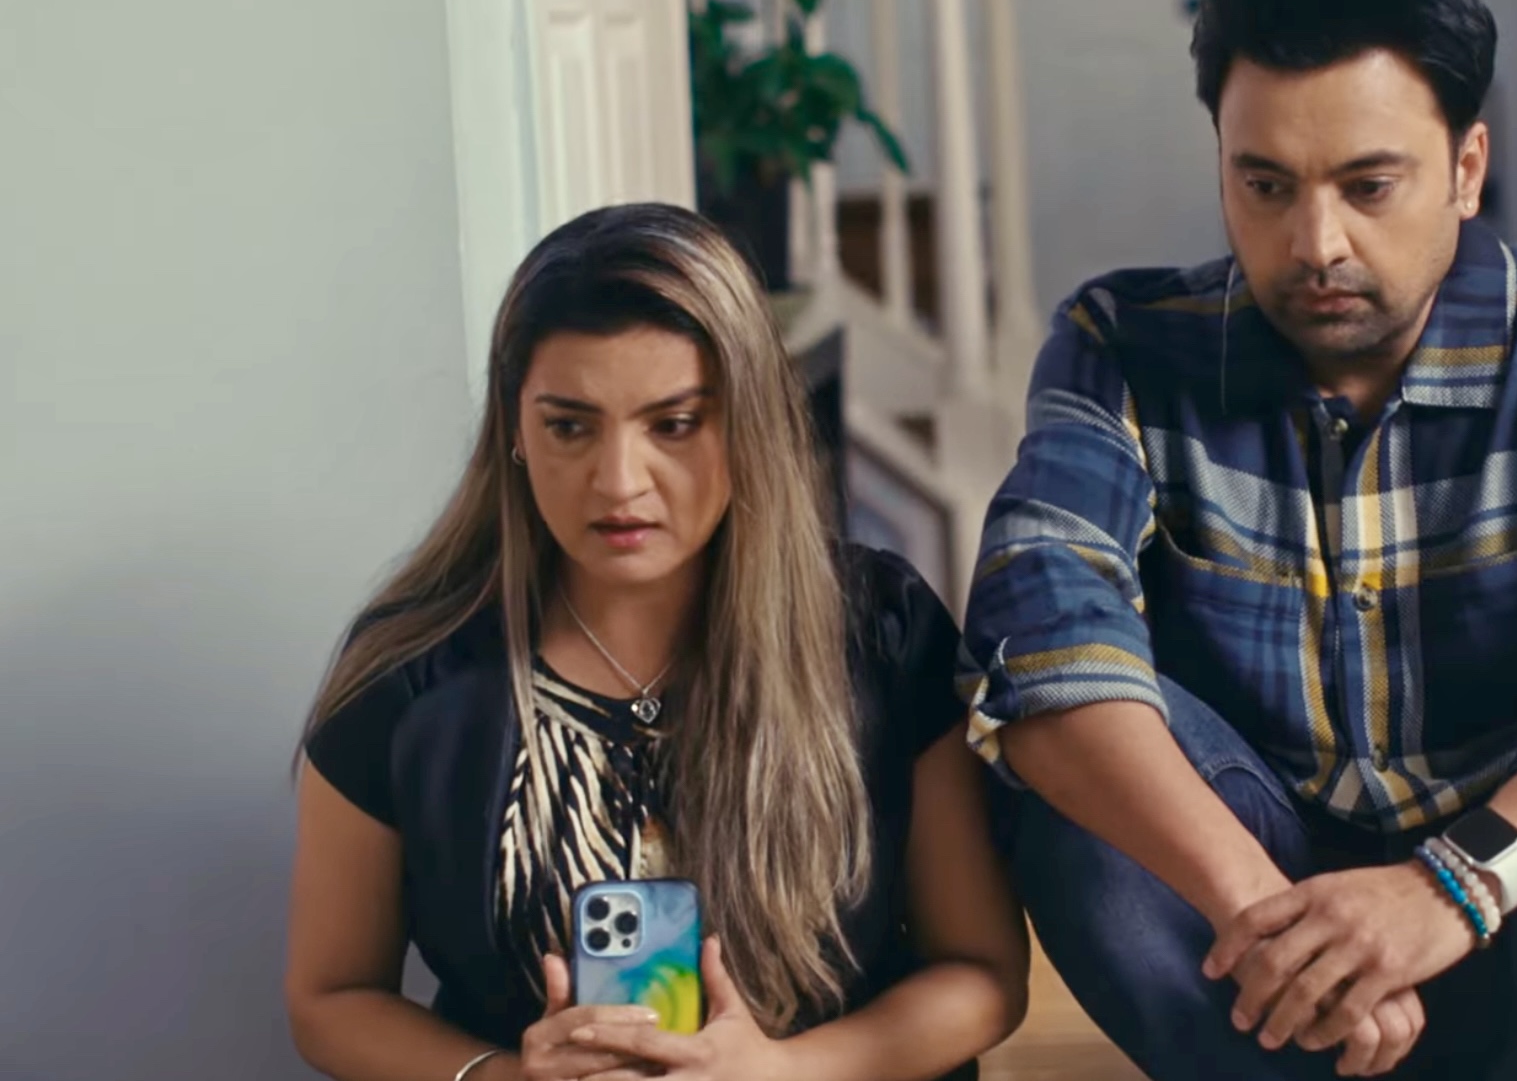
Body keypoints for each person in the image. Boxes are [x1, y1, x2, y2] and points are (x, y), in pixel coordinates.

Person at [960, 0, 1517, 1080]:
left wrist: (1453, 883)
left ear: (1466, 170)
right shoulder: (1123, 346)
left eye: (1369, 184)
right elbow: (1038, 629)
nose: (1316, 242)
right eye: (1265, 184)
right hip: (1256, 949)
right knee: (1067, 773)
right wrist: (1276, 920)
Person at [285, 203, 1028, 1081]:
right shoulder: (409, 672)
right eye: (569, 425)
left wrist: (784, 1074)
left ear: (748, 422)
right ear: (514, 430)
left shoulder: (880, 629)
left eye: (674, 424)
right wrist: (506, 1078)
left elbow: (983, 972)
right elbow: (330, 996)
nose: (618, 481)